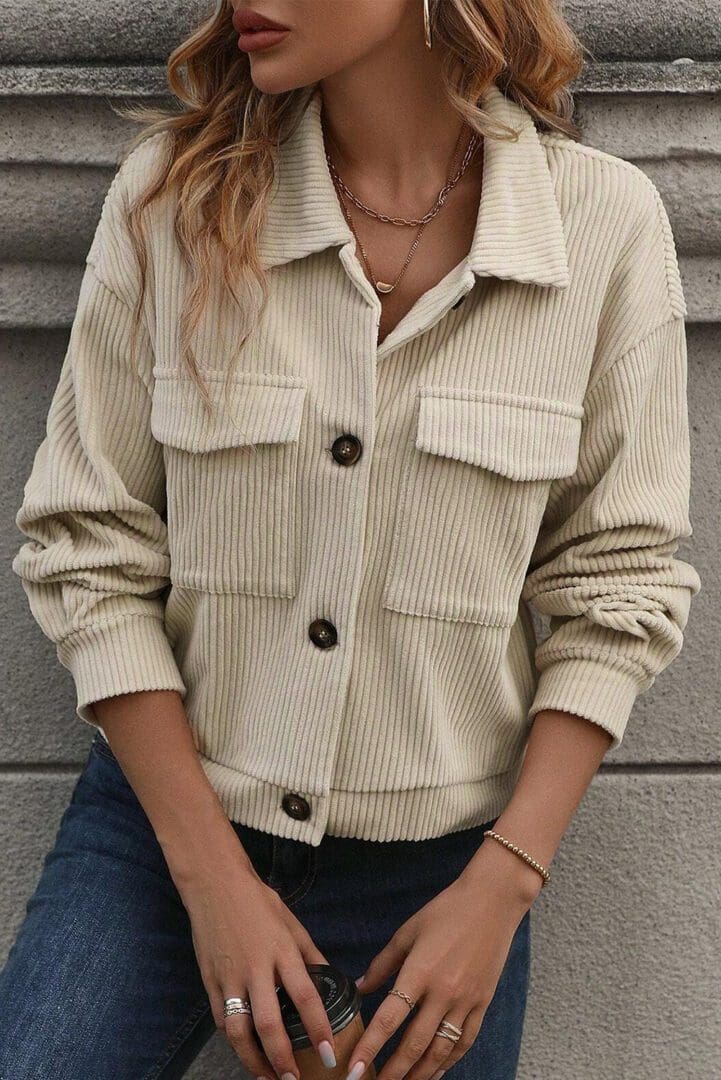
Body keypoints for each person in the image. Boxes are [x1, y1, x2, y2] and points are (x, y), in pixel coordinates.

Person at [1, 0, 701, 1078]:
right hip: (162, 832)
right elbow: (88, 544)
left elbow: (619, 585)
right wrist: (213, 882)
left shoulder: (600, 228)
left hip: (445, 881)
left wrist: (502, 888)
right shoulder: (171, 199)